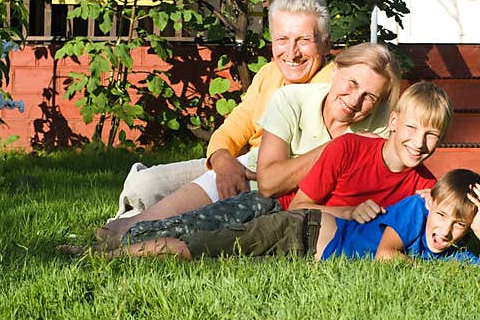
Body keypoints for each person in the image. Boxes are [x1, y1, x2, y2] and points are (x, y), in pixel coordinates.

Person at [83, 80, 448, 255]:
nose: (419, 142)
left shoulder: (423, 188)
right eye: (412, 128)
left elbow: (447, 217)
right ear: (395, 121)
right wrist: (350, 211)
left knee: (199, 242)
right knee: (186, 224)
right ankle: (106, 239)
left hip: (295, 232)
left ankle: (117, 245)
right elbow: (303, 205)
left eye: (432, 134)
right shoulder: (350, 147)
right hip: (273, 206)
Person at [97, 41, 401, 247]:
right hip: (249, 179)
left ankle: (131, 227)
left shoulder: (383, 124)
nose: (356, 101)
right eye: (352, 84)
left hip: (288, 207)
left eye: (370, 97)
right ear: (336, 72)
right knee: (138, 218)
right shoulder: (291, 99)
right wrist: (340, 145)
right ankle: (115, 227)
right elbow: (268, 183)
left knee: (191, 231)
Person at [101, 0, 335, 231]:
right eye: (282, 40)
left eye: (304, 40)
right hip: (237, 164)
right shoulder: (269, 73)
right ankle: (128, 225)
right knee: (145, 185)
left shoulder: (335, 86)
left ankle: (128, 228)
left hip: (264, 176)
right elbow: (233, 127)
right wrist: (223, 161)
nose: (292, 53)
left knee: (152, 194)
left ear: (326, 43)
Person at [94, 169, 480, 265]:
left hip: (301, 248)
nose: (445, 231)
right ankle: (104, 253)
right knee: (199, 248)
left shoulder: (448, 249)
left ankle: (113, 245)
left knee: (212, 244)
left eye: (459, 225)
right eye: (443, 216)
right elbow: (386, 257)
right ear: (429, 203)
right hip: (300, 232)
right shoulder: (412, 213)